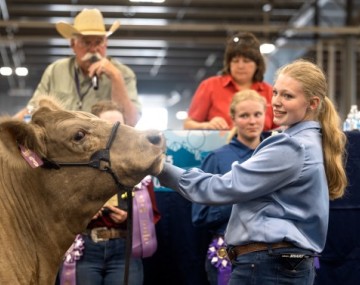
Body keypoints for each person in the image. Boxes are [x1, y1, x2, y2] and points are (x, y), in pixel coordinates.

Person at [156, 59, 348, 285]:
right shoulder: (309, 142)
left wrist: (159, 167)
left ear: (313, 103)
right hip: (277, 264)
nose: (276, 101)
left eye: (288, 96)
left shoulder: (292, 147)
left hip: (267, 265)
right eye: (276, 93)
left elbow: (220, 188)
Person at [56, 100, 161, 285]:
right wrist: (83, 215)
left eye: (119, 126)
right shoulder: (76, 168)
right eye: (109, 126)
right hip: (85, 248)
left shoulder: (138, 169)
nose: (115, 131)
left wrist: (130, 217)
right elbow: (59, 213)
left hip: (125, 248)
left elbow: (152, 216)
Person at [14, 8, 140, 127]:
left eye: (98, 42)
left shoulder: (123, 73)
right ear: (73, 44)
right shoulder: (55, 71)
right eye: (86, 42)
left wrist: (116, 78)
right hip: (62, 145)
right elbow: (33, 110)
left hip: (104, 146)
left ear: (106, 43)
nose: (93, 49)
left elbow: (131, 122)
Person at [192, 89, 267, 285]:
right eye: (244, 115)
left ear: (265, 115)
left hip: (270, 254)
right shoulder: (217, 159)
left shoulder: (277, 156)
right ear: (233, 118)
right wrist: (238, 202)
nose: (252, 121)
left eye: (257, 114)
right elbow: (199, 214)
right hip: (229, 253)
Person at [183, 31, 276, 131]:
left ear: (257, 64)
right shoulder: (210, 86)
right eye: (235, 61)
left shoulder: (270, 92)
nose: (240, 66)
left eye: (246, 61)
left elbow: (280, 129)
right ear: (228, 63)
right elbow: (188, 125)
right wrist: (207, 125)